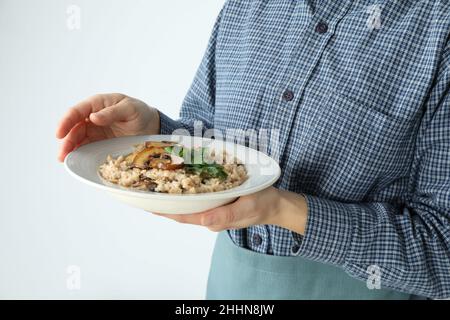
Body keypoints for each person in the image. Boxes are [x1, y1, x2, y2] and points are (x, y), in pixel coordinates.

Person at [56, 1, 450, 299]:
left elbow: (443, 250)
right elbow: (215, 149)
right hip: (230, 290)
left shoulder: (439, 25)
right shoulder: (248, 6)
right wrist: (157, 134)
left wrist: (282, 209)